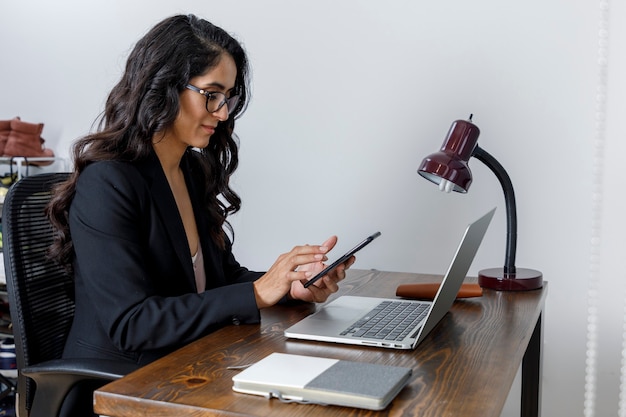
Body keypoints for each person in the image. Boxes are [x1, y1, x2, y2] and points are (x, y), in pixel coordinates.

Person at [46, 14, 353, 415]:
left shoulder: (189, 170)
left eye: (228, 97)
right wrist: (257, 294)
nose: (223, 112)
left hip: (186, 369)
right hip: (119, 390)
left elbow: (220, 280)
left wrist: (289, 283)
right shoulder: (108, 183)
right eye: (211, 94)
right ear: (163, 87)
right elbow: (132, 323)